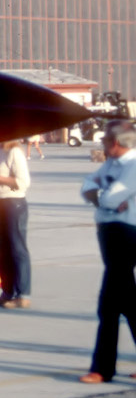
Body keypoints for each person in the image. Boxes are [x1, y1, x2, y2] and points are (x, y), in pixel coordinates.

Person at [79, 122, 136, 383]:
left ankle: (102, 368)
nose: (102, 146)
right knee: (129, 303)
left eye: (105, 142)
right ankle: (102, 368)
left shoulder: (133, 165)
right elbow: (88, 185)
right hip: (108, 231)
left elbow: (111, 197)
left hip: (126, 234)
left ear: (117, 143)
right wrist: (100, 195)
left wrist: (101, 196)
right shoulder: (112, 164)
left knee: (109, 304)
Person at [0, 138, 32, 308]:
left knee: (17, 248)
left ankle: (23, 294)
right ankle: (7, 292)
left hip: (13, 202)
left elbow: (23, 182)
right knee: (3, 249)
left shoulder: (14, 152)